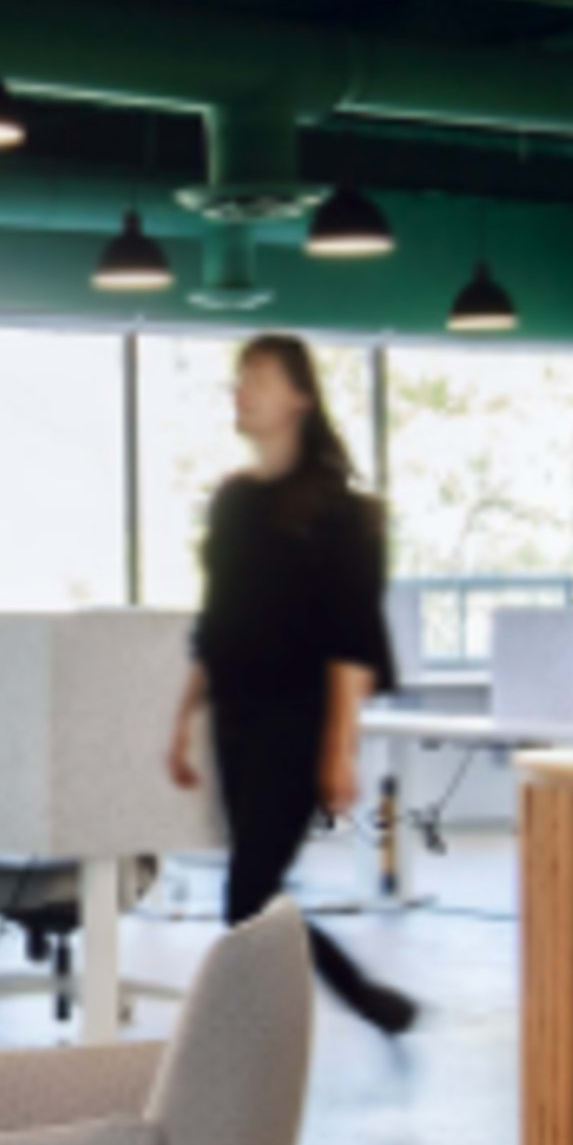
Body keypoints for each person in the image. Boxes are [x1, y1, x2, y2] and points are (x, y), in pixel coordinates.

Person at [166, 333, 420, 1037]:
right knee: (256, 893)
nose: (242, 390)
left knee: (247, 891)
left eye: (259, 377)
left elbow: (351, 643)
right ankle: (312, 1014)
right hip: (236, 718)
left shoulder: (341, 513)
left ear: (300, 397)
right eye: (239, 377)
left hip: (298, 720)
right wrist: (184, 718)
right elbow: (215, 625)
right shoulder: (233, 503)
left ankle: (346, 1002)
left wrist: (339, 747)